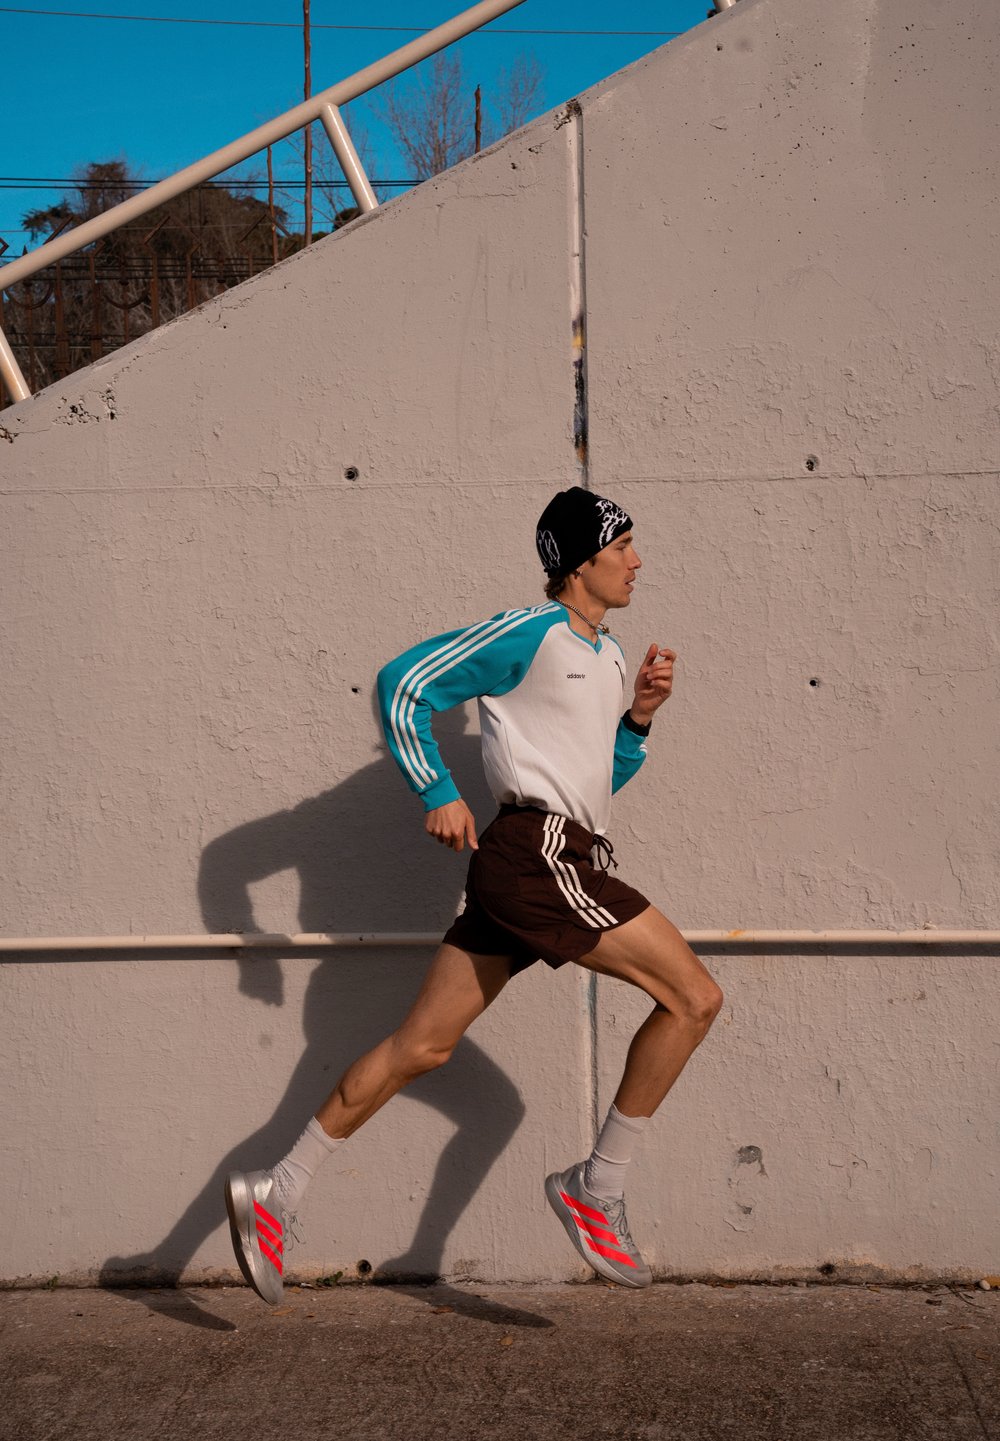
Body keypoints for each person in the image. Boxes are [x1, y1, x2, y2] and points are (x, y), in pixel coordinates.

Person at [225, 486, 723, 1302]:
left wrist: (637, 719)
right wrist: (436, 790)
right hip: (538, 855)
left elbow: (600, 782)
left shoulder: (607, 654)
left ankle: (274, 1188)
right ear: (578, 559)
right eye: (623, 545)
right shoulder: (529, 633)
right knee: (694, 997)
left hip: (558, 853)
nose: (638, 560)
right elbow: (403, 681)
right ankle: (596, 1188)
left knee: (423, 1047)